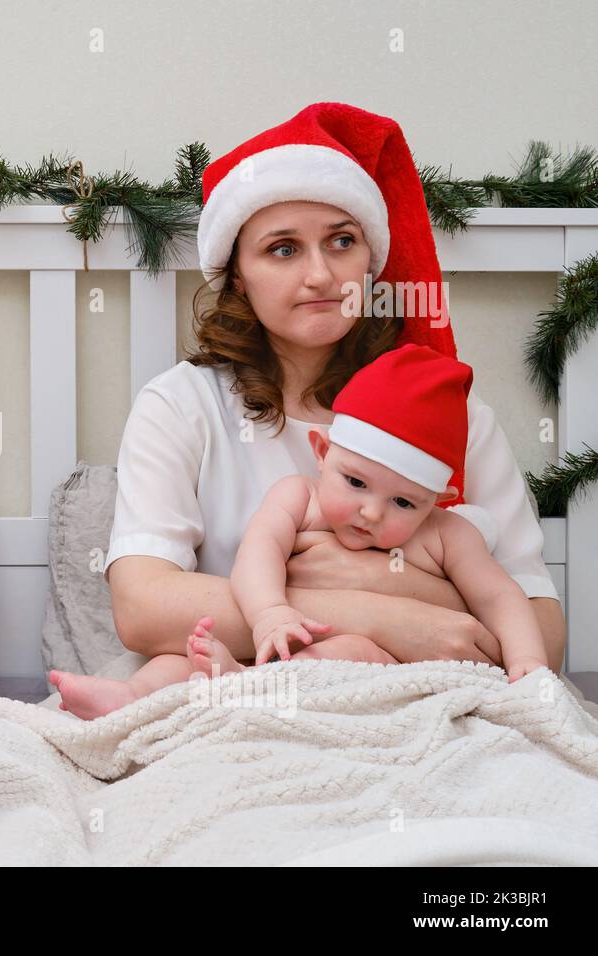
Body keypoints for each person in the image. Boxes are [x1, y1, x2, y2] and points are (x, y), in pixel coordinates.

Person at [81, 102, 565, 689]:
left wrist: (385, 590)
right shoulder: (181, 406)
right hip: (241, 686)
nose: (320, 276)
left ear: (371, 260)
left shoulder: (449, 415)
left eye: (341, 242)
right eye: (282, 249)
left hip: (402, 696)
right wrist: (391, 612)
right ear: (236, 273)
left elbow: (544, 633)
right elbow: (143, 609)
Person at [52, 344, 552, 719]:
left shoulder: (447, 534)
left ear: (438, 500)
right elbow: (259, 553)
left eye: (403, 501)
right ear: (322, 453)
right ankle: (131, 700)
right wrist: (270, 614)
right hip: (270, 640)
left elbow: (501, 595)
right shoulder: (299, 497)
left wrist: (527, 661)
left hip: (362, 667)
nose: (371, 512)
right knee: (177, 660)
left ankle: (244, 685)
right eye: (354, 482)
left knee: (354, 654)